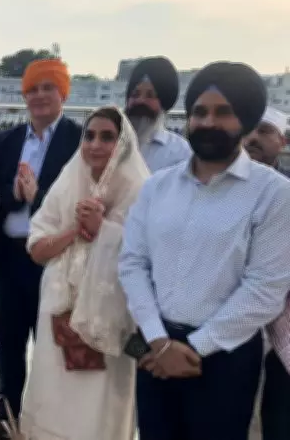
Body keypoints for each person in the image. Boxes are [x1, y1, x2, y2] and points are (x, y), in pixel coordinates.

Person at [119, 61, 290, 440]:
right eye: (199, 112)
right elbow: (133, 263)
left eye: (223, 112)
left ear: (244, 120)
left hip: (223, 359)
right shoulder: (157, 187)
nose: (208, 122)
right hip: (155, 349)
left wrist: (194, 346)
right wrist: (160, 341)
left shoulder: (273, 193)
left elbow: (264, 289)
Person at [21, 106, 148, 439]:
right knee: (55, 394)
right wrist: (75, 231)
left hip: (108, 316)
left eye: (108, 137)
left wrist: (103, 229)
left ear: (123, 144)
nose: (95, 144)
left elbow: (149, 257)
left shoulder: (140, 191)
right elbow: (36, 247)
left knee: (97, 404)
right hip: (58, 309)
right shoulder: (68, 181)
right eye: (89, 135)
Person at [0, 58, 82, 433]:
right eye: (32, 89)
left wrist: (37, 197)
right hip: (10, 258)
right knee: (9, 342)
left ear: (62, 93)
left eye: (47, 88)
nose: (39, 96)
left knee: (51, 345)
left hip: (56, 259)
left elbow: (82, 201)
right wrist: (15, 195)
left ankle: (50, 421)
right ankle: (8, 416)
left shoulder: (80, 141)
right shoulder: (5, 142)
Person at [244, 106, 290, 440]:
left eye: (264, 131)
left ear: (283, 140)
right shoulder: (215, 184)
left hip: (279, 331)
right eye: (250, 130)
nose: (254, 138)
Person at [124, 56, 191, 172]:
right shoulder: (107, 141)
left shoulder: (180, 152)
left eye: (150, 95)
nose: (140, 101)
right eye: (135, 94)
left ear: (164, 102)